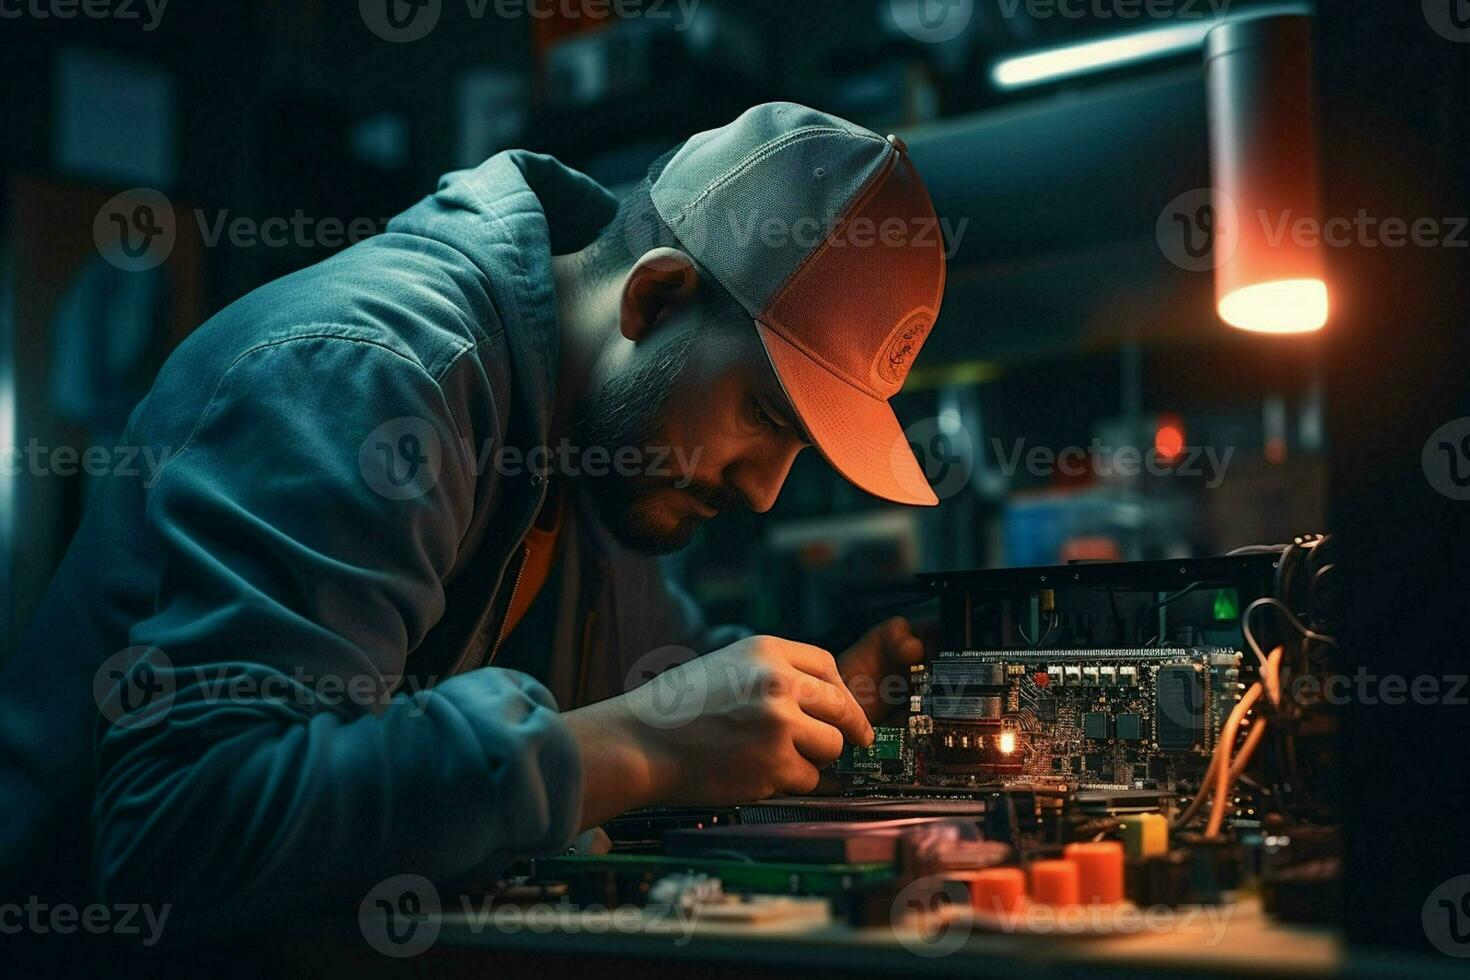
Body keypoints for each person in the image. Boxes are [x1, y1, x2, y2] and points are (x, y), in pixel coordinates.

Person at [0, 102, 947, 936]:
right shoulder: (371, 376)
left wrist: (821, 709)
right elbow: (179, 828)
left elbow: (668, 673)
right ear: (655, 298)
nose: (765, 491)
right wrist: (639, 746)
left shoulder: (596, 451)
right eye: (764, 417)